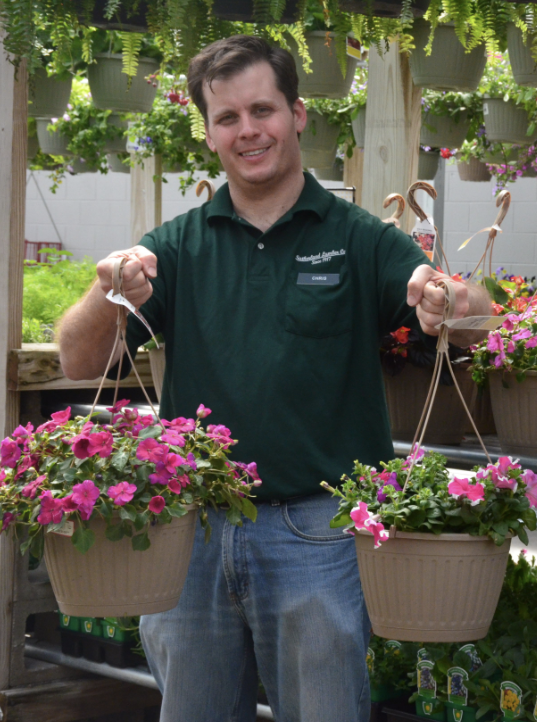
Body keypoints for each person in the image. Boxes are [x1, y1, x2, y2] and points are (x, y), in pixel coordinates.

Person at [58, 35, 491, 722]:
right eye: (227, 118)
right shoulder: (176, 247)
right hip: (189, 537)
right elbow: (77, 363)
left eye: (262, 110)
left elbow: (478, 315)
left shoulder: (359, 237)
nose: (247, 131)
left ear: (298, 114)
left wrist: (453, 301)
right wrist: (105, 286)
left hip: (316, 533)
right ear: (207, 133)